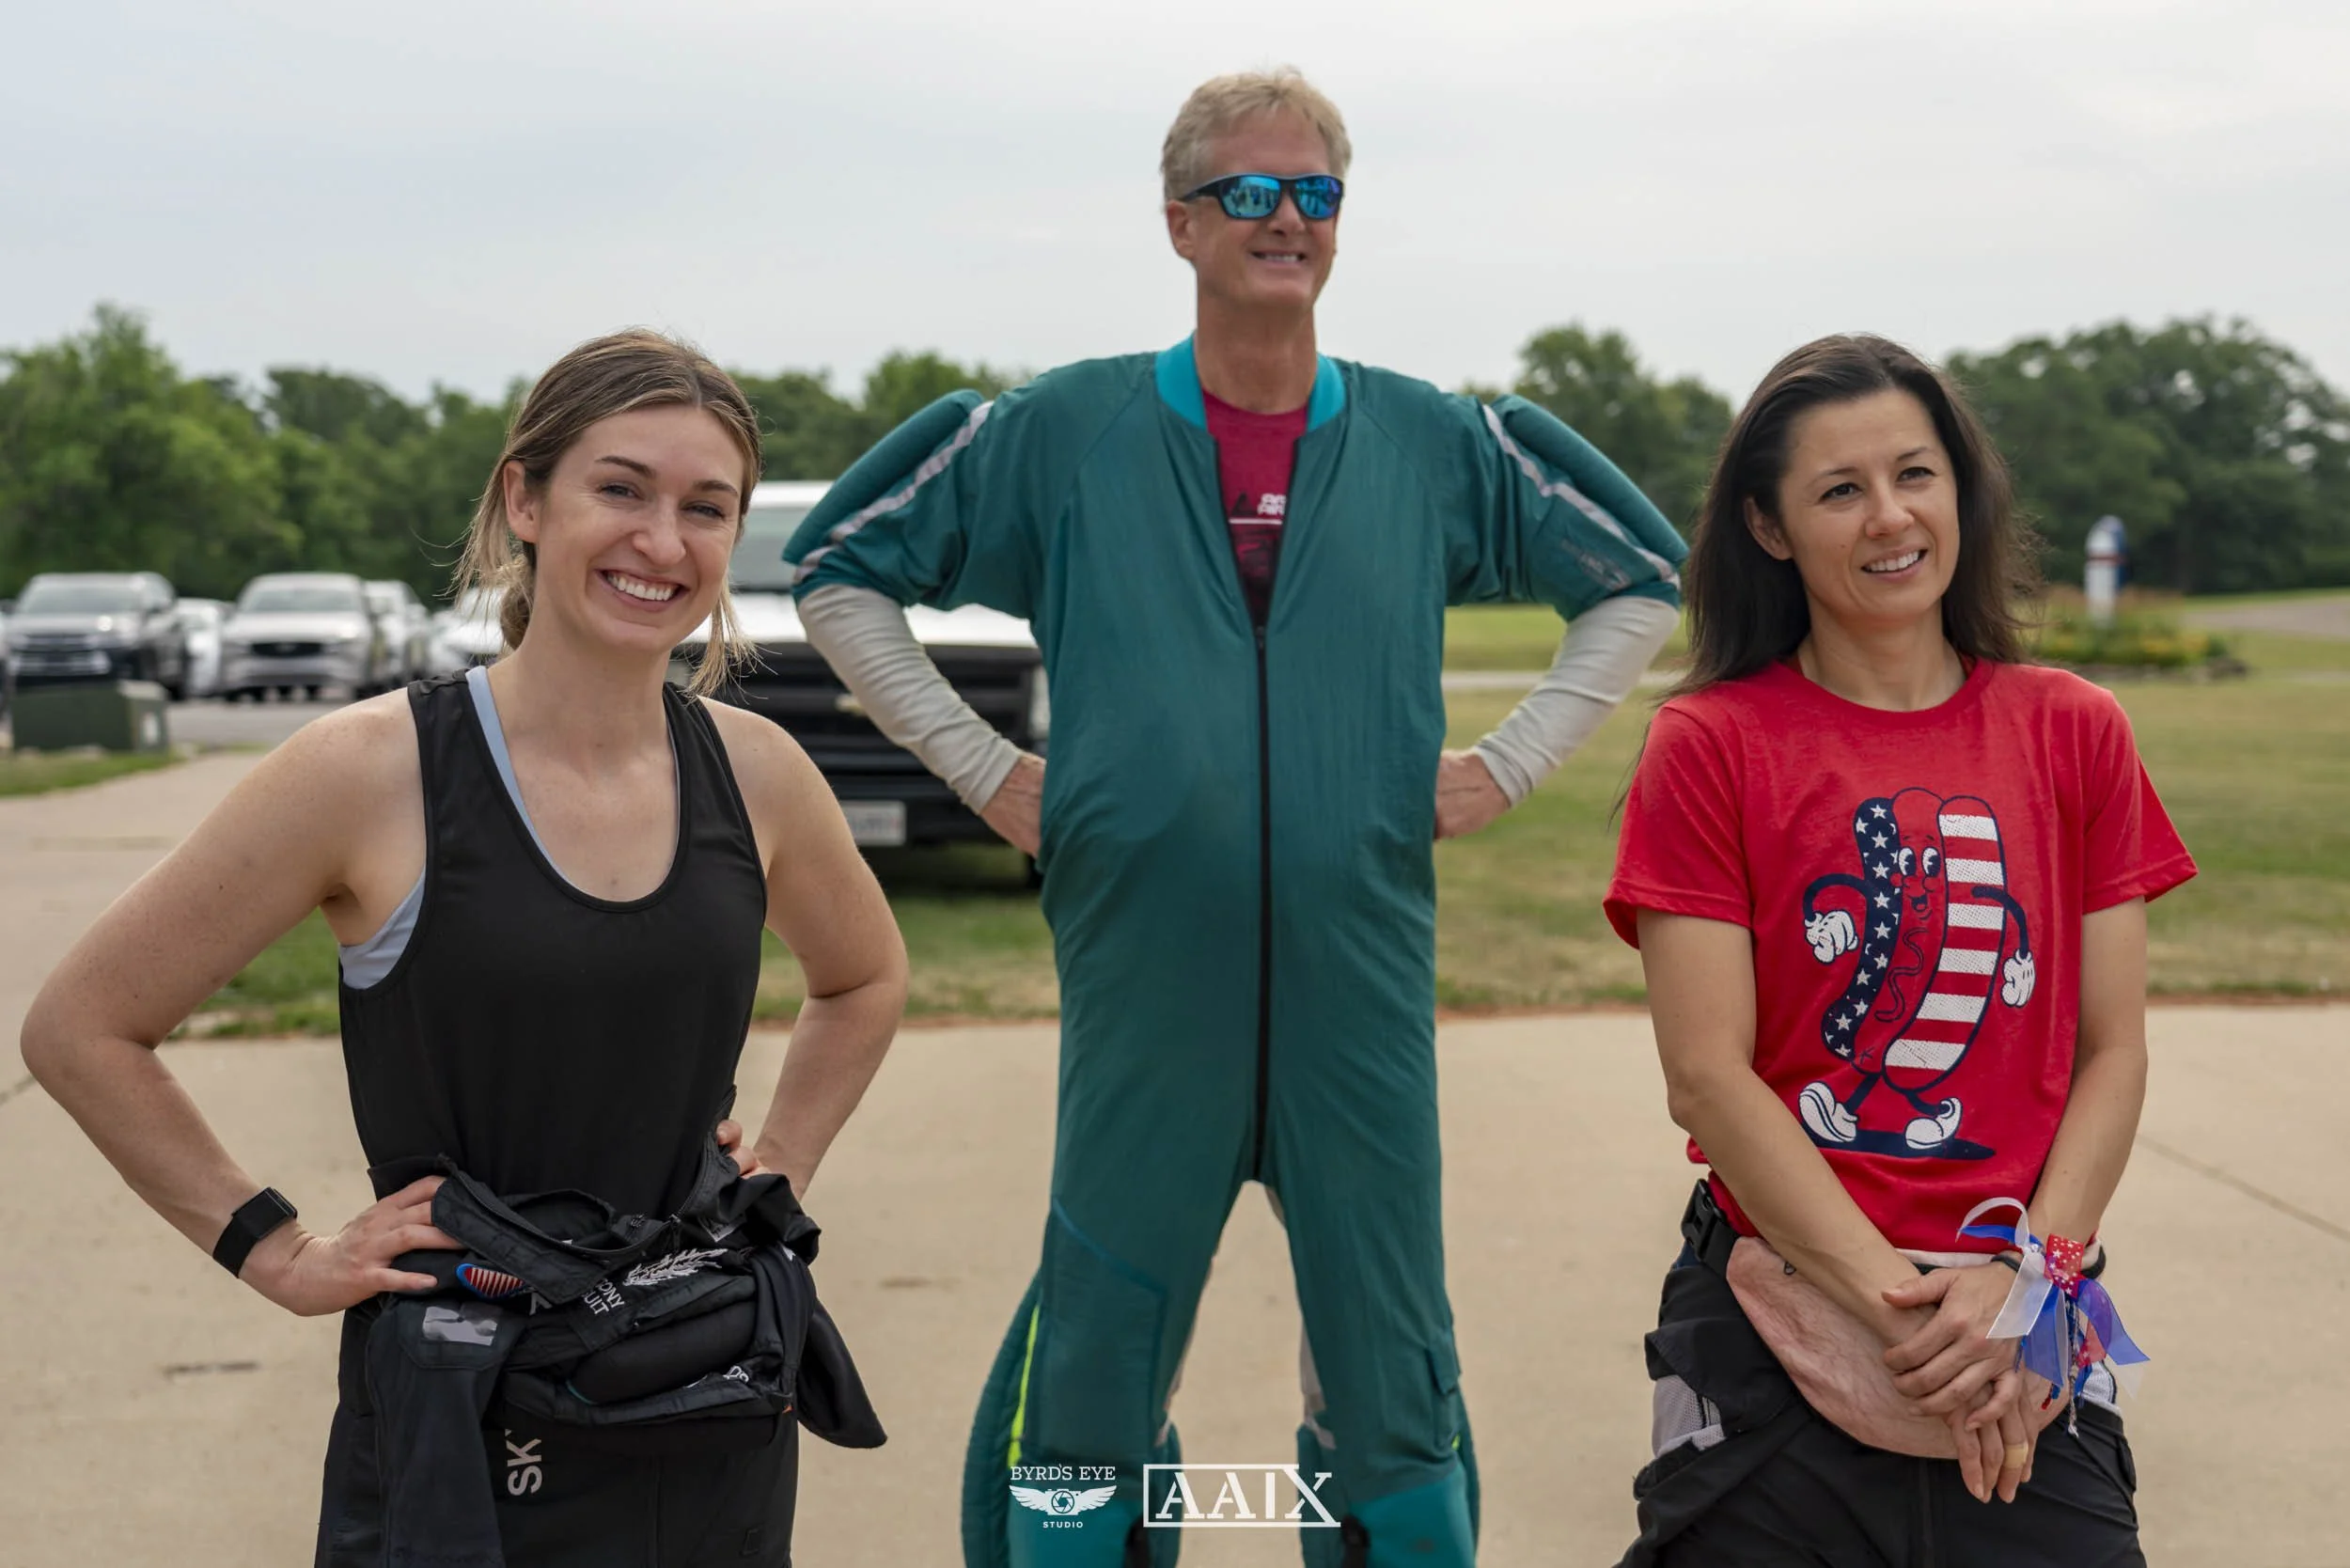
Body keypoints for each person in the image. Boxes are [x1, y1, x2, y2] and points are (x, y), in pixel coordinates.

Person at [783, 69, 1687, 1568]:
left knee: (1392, 1392)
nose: (1286, 220)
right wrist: (984, 769)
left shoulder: (1433, 442)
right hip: (1147, 994)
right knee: (1093, 1376)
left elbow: (1640, 575)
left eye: (1315, 194)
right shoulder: (1062, 429)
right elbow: (838, 569)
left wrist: (1510, 761)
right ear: (1180, 222)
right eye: (1250, 194)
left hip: (1362, 997)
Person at [20, 329, 908, 1567]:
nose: (664, 540)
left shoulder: (755, 773)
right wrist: (273, 1248)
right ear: (524, 499)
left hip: (709, 1394)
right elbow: (81, 1027)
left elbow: (864, 979)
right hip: (466, 1413)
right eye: (621, 489)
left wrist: (780, 1172)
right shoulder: (370, 772)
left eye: (707, 509)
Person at [1604, 334, 2194, 1564]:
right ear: (1770, 527)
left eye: (1914, 474)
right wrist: (1911, 1325)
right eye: (1839, 490)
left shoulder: (2074, 731)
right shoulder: (1710, 745)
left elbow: (2113, 1051)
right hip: (1779, 1323)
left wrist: (2028, 1288)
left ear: (1958, 493)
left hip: (2021, 1313)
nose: (1890, 516)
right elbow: (1708, 1076)